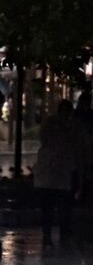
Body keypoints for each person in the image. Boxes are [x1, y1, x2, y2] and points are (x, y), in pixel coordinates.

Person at [33, 100, 87, 247]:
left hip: (51, 176)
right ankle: (58, 235)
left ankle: (49, 235)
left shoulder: (53, 126)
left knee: (50, 207)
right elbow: (80, 154)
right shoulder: (72, 129)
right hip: (59, 175)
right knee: (59, 206)